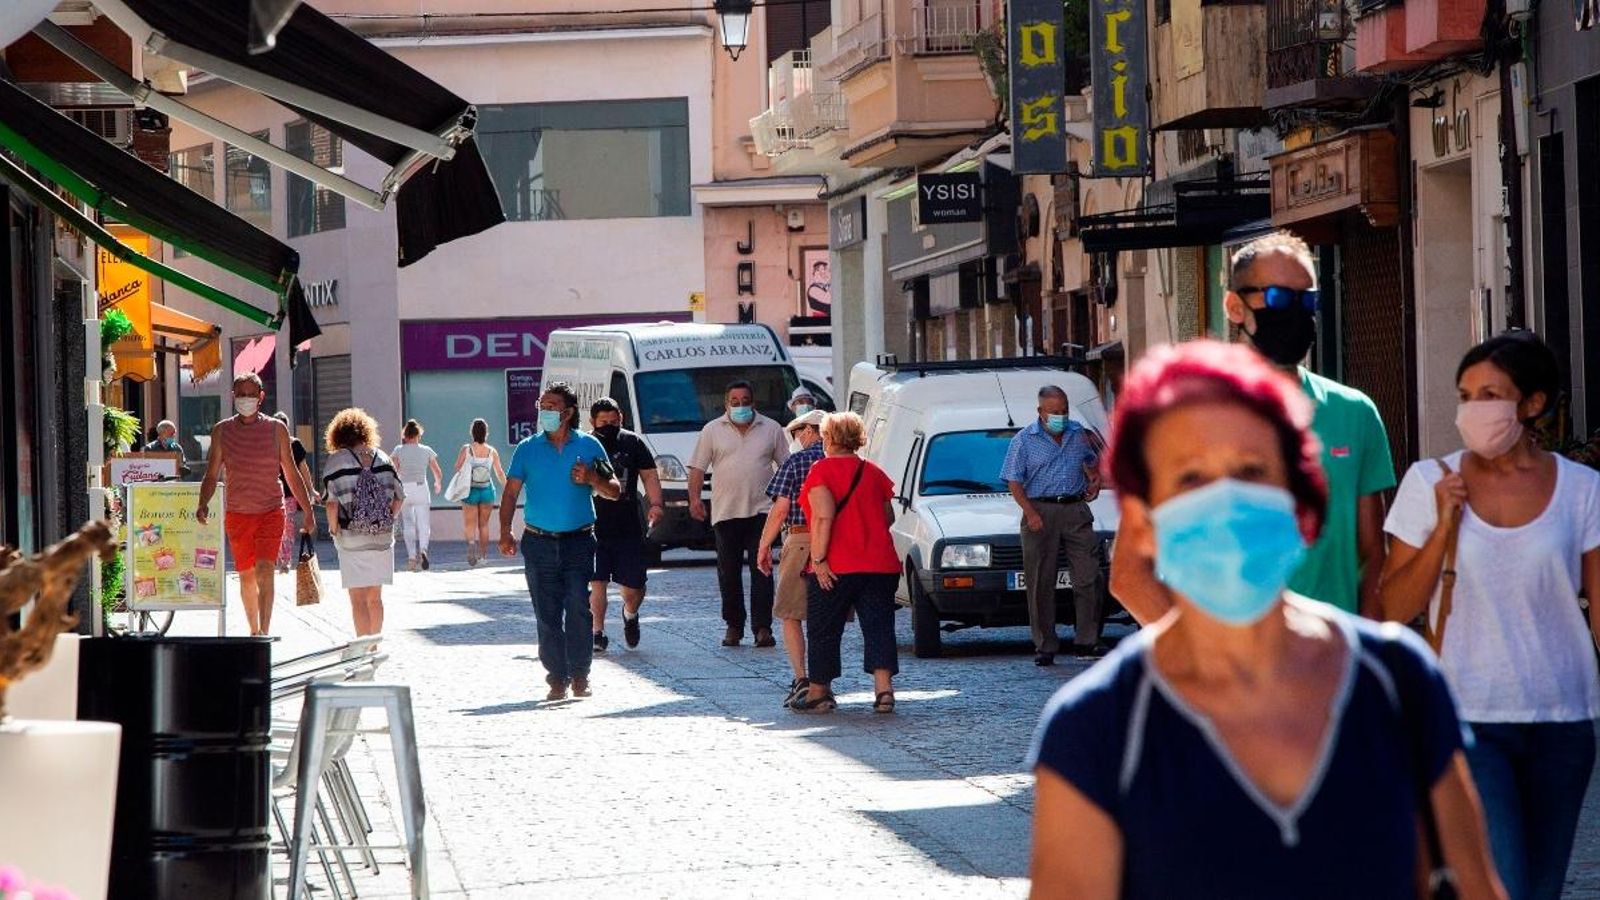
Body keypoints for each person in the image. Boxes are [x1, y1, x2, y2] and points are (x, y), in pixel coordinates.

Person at [1028, 340, 1503, 899]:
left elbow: (1474, 886)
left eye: (1252, 471)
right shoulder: (1098, 726)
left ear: (1301, 501)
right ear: (1142, 520)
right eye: (1189, 478)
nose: (1226, 501)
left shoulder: (1396, 681)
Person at [1378, 331, 1599, 900]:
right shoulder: (1430, 481)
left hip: (1564, 720)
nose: (1474, 410)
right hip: (1466, 717)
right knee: (1501, 887)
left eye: (1490, 395)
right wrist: (1443, 529)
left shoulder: (1583, 491)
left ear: (1533, 403)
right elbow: (1394, 605)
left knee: (1542, 888)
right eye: (1466, 395)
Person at [1110, 231, 1395, 623]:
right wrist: (1205, 663)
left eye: (1306, 299)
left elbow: (1373, 556)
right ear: (1234, 306)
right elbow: (1129, 575)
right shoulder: (1182, 417)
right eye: (1277, 298)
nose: (1295, 311)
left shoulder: (1355, 413)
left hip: (1328, 668)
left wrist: (1359, 659)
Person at [499, 382, 620, 701]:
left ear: (567, 412)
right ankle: (556, 677)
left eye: (552, 406)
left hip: (579, 542)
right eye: (543, 405)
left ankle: (581, 674)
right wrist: (504, 532)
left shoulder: (590, 446)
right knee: (547, 613)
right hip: (538, 542)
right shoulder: (527, 448)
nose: (545, 411)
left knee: (579, 607)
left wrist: (592, 479)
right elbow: (510, 493)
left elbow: (615, 489)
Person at [789, 412, 902, 714]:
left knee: (824, 628)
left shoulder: (820, 471)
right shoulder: (873, 471)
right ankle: (884, 691)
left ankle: (819, 691)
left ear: (828, 438)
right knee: (879, 626)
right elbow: (888, 516)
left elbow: (824, 517)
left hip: (837, 564)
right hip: (879, 563)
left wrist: (819, 559)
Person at [196, 372, 316, 636]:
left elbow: (291, 473)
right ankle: (253, 629)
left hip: (271, 510)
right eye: (241, 394)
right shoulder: (222, 431)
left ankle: (264, 631)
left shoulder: (276, 429)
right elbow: (212, 473)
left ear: (261, 397)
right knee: (247, 575)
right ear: (233, 397)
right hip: (238, 514)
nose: (246, 399)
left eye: (252, 394)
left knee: (265, 569)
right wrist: (203, 502)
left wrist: (307, 510)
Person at [1001, 385, 1105, 665]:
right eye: (1054, 412)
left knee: (1088, 576)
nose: (1061, 416)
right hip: (1039, 511)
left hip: (1074, 510)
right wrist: (1030, 512)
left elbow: (1091, 464)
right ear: (1040, 412)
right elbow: (1013, 480)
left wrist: (1093, 481)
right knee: (1039, 582)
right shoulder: (1024, 441)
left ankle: (1086, 640)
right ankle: (1045, 645)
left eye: (1064, 411)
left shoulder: (1077, 434)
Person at [688, 380, 790, 647]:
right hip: (726, 511)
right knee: (728, 572)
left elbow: (785, 465)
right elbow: (697, 468)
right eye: (735, 401)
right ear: (726, 404)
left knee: (763, 569)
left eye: (745, 400)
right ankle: (734, 625)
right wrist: (695, 499)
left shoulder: (772, 429)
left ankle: (763, 628)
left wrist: (786, 501)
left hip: (763, 511)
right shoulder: (712, 430)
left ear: (753, 402)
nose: (741, 405)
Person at [756, 409, 827, 706]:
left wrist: (763, 546)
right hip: (835, 542)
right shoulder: (845, 461)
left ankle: (802, 679)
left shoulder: (797, 461)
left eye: (799, 432)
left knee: (790, 614)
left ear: (811, 431)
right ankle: (824, 681)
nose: (797, 438)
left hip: (800, 539)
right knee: (825, 617)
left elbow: (780, 509)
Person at [587, 397, 663, 652]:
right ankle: (597, 632)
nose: (609, 426)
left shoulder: (633, 442)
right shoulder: (586, 444)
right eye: (603, 422)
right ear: (592, 422)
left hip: (628, 523)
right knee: (597, 581)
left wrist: (656, 504)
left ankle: (630, 614)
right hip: (593, 524)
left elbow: (650, 475)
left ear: (621, 418)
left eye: (614, 421)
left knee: (634, 587)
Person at [321, 409, 405, 636]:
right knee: (375, 598)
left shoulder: (336, 462)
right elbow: (400, 496)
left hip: (351, 538)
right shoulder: (384, 458)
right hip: (381, 537)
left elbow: (331, 504)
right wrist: (387, 518)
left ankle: (363, 647)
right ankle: (375, 646)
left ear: (337, 435)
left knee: (357, 599)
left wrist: (333, 529)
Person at [392, 419, 444, 572]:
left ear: (405, 435)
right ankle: (424, 550)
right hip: (421, 488)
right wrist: (437, 483)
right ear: (418, 435)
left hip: (404, 489)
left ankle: (411, 558)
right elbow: (438, 472)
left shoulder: (398, 450)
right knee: (423, 523)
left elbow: (394, 471)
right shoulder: (426, 450)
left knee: (408, 523)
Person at [453, 418, 506, 567]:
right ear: (486, 433)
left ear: (472, 433)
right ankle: (483, 556)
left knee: (470, 524)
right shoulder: (491, 451)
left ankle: (471, 545)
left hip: (470, 491)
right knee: (484, 525)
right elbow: (499, 472)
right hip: (487, 490)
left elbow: (457, 467)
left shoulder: (466, 449)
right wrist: (508, 487)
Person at [273, 411, 317, 574]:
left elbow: (303, 469)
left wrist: (311, 490)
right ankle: (277, 557)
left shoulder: (294, 445)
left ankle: (284, 560)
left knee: (288, 527)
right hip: (272, 493)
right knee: (277, 527)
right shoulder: (267, 444)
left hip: (290, 493)